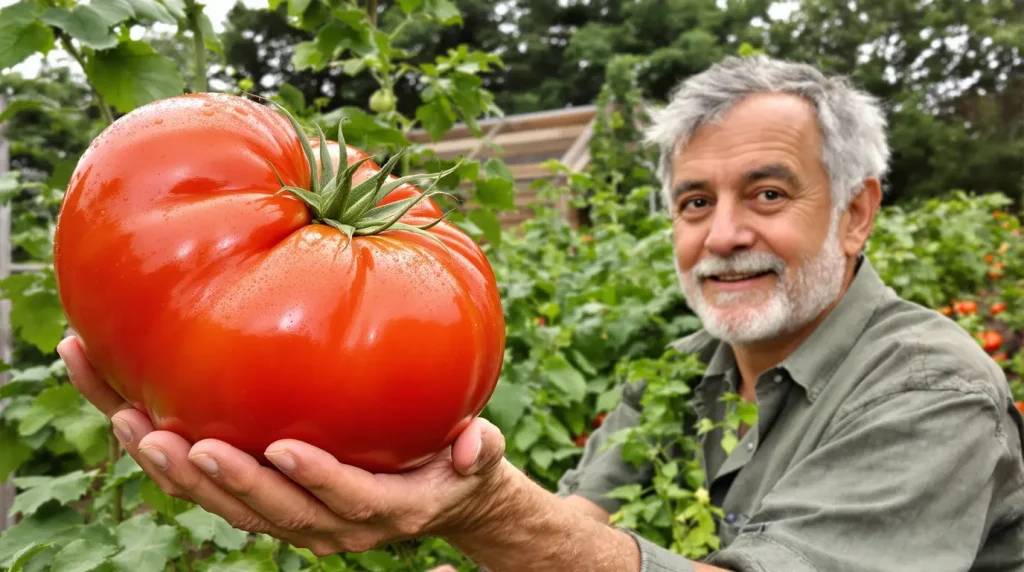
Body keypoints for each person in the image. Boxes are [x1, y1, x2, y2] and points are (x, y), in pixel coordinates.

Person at [58, 55, 1024, 571]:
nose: (723, 234)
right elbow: (580, 519)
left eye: (768, 195)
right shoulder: (684, 369)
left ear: (857, 213)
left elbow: (536, 531)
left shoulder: (933, 391)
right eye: (694, 202)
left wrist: (480, 512)